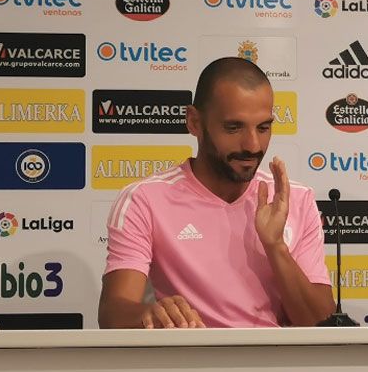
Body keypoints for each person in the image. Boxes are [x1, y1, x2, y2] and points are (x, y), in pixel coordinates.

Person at [98, 57, 335, 328]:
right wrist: (149, 315)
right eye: (233, 128)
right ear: (194, 122)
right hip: (192, 364)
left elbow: (321, 324)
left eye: (263, 127)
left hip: (278, 365)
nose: (252, 145)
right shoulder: (144, 200)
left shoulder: (296, 199)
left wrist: (276, 246)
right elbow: (113, 314)